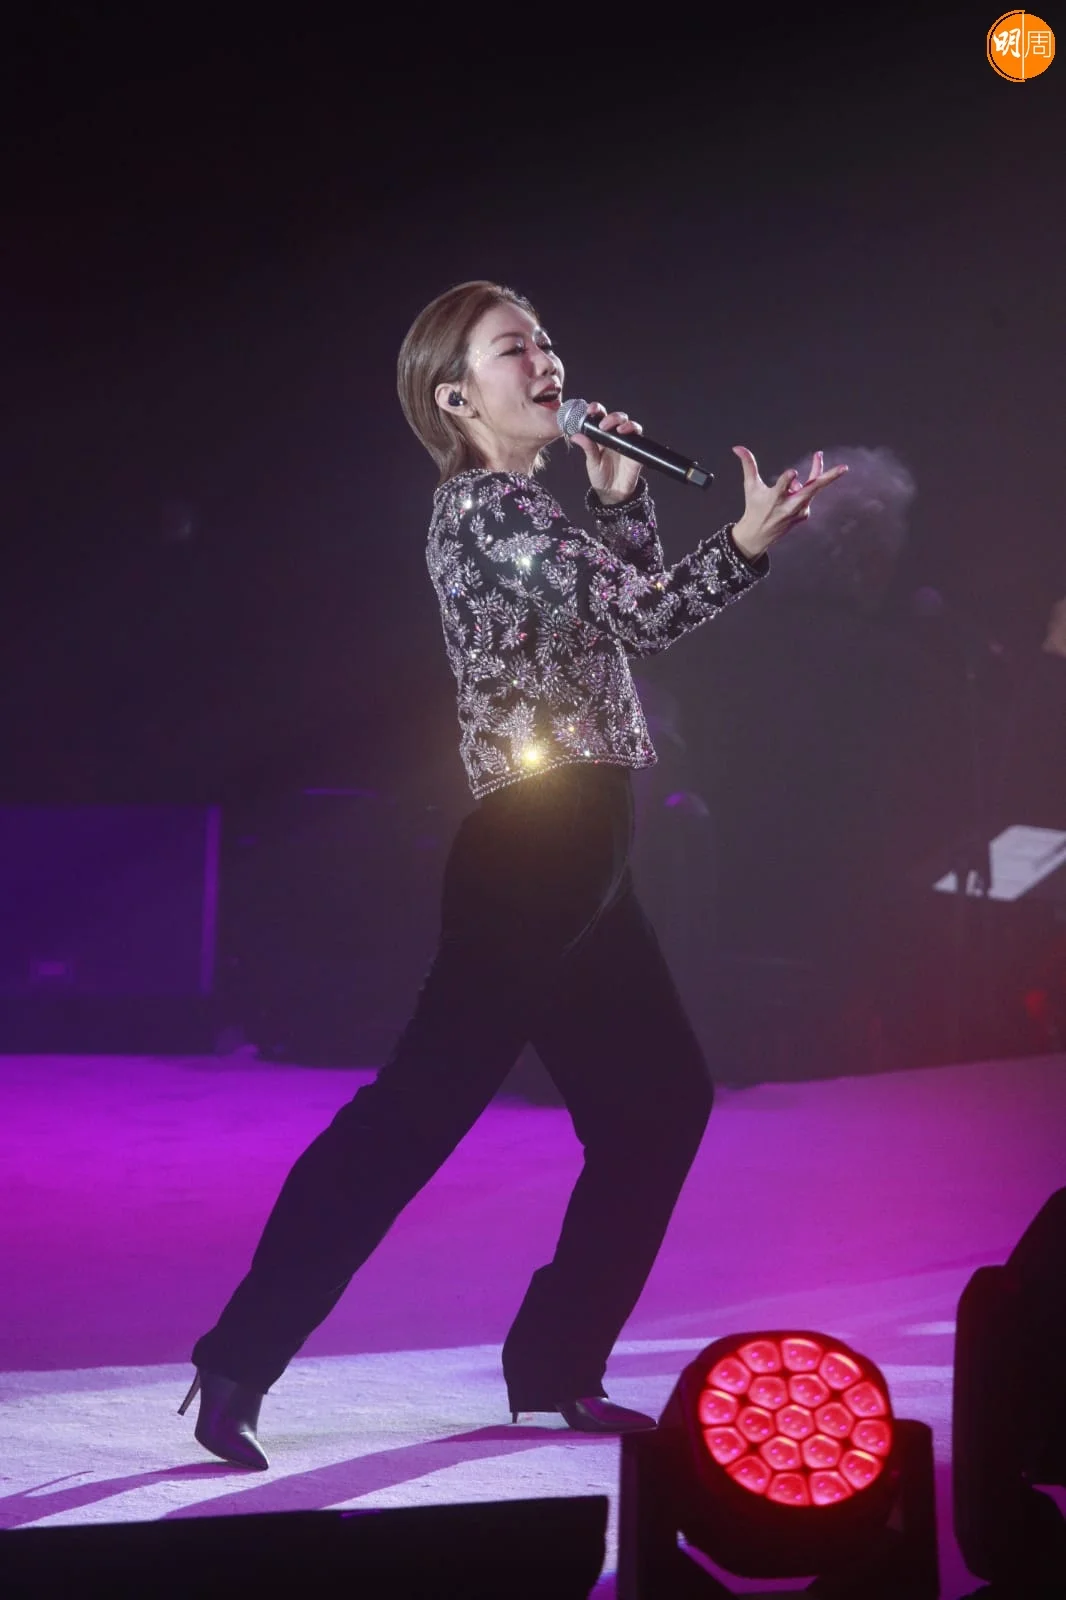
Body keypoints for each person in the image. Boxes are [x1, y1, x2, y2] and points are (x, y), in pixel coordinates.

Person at [180, 280, 847, 1468]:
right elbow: (646, 620)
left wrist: (621, 496)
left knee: (656, 1105)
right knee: (417, 1111)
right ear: (456, 397)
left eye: (544, 340)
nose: (545, 361)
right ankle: (237, 1355)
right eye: (512, 348)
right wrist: (744, 545)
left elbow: (609, 622)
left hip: (586, 847)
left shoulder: (527, 510)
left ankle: (554, 1367)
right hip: (534, 848)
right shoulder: (482, 508)